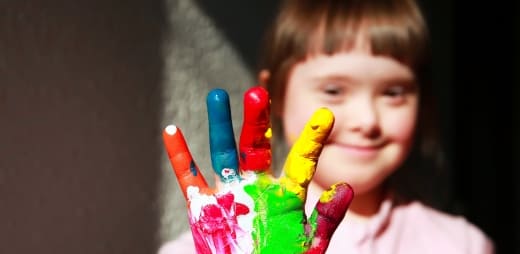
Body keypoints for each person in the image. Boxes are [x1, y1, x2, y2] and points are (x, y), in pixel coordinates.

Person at [159, 0, 495, 253]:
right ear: (276, 95)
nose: (367, 120)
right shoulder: (205, 247)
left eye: (394, 92)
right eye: (333, 90)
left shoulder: (461, 245)